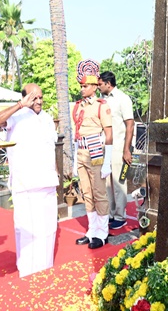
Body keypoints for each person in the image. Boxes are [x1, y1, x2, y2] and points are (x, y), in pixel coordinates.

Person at [0, 83, 58, 277]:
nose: (38, 101)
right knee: (27, 229)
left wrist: (56, 171)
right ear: (24, 98)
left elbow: (50, 147)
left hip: (47, 181)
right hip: (25, 183)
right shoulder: (16, 116)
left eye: (40, 97)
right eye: (33, 98)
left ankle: (45, 267)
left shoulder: (46, 119)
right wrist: (20, 105)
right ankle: (28, 271)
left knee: (48, 228)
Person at [72, 59, 113, 249]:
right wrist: (74, 161)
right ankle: (92, 230)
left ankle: (102, 233)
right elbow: (76, 134)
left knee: (99, 193)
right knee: (86, 193)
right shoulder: (77, 106)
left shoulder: (100, 105)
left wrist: (107, 163)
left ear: (95, 86)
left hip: (96, 151)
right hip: (81, 150)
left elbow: (109, 134)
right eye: (81, 85)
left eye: (85, 85)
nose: (82, 88)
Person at [98, 71, 134, 230]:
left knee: (119, 182)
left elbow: (130, 124)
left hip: (119, 147)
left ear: (108, 83)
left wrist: (127, 149)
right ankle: (112, 214)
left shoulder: (123, 98)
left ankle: (121, 216)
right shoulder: (102, 101)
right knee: (107, 183)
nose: (98, 87)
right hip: (105, 147)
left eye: (100, 84)